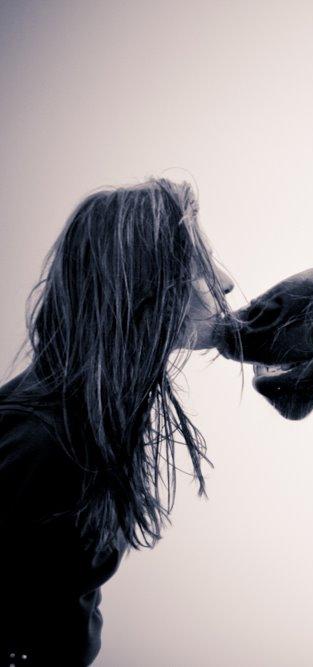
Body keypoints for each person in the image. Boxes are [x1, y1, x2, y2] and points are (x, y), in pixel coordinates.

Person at [0, 179, 234, 665]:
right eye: (195, 261)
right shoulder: (38, 438)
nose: (223, 280)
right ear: (143, 280)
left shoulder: (81, 422)